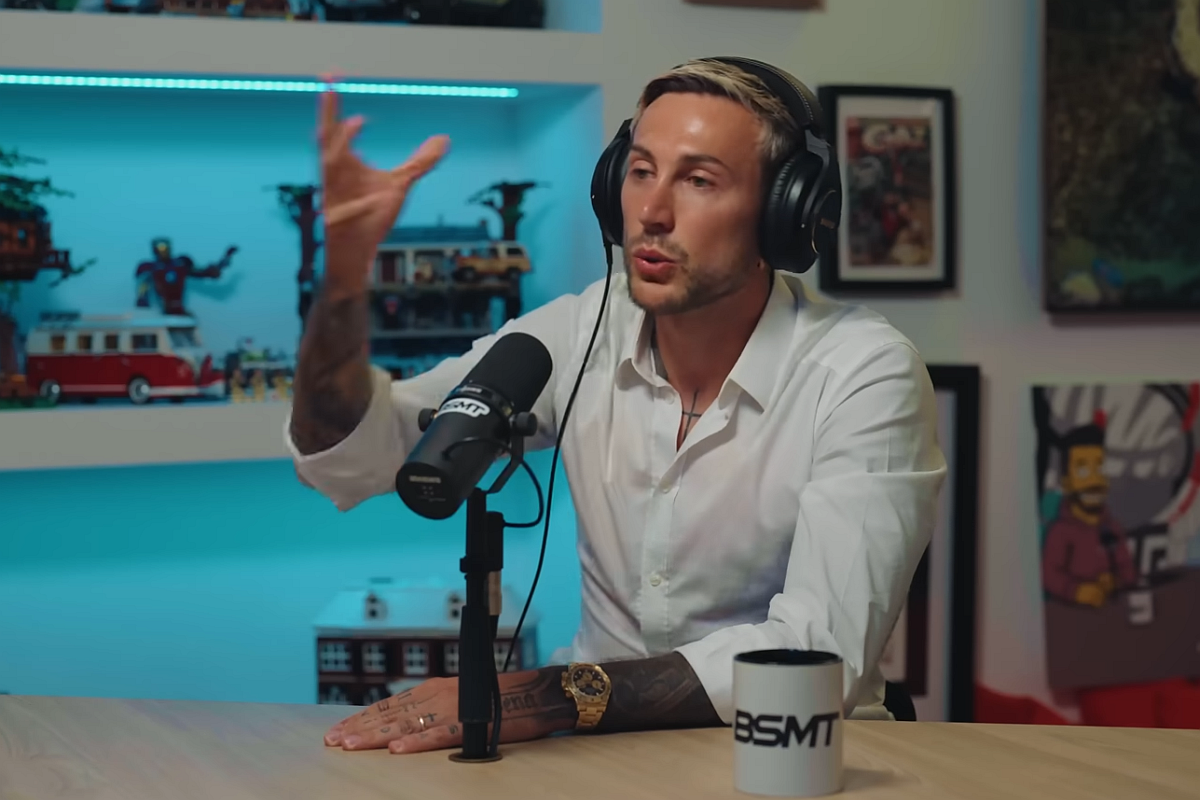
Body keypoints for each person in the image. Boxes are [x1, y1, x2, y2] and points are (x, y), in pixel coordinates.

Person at [287, 58, 947, 756]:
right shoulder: (576, 333)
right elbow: (354, 453)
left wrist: (544, 695)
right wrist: (342, 281)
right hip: (597, 760)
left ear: (787, 213)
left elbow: (821, 652)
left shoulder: (864, 373)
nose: (652, 212)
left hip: (799, 762)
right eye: (640, 171)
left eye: (698, 180)